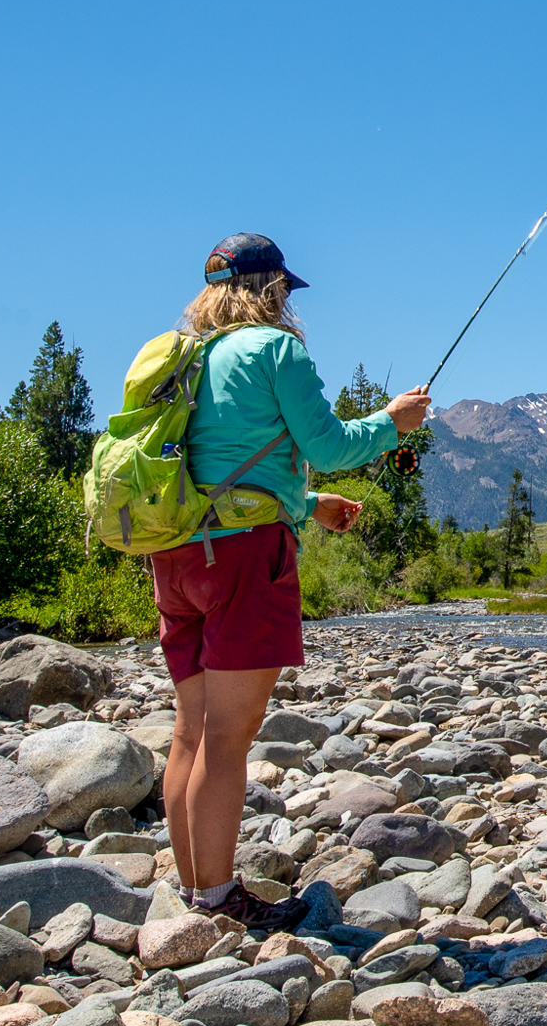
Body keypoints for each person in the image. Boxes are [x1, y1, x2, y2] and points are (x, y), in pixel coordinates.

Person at [151, 232, 429, 928]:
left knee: (190, 732)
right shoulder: (276, 350)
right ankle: (218, 899)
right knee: (227, 738)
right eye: (283, 289)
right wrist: (393, 424)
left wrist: (307, 504)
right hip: (245, 561)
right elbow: (329, 444)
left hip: (177, 558)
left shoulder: (189, 360)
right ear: (270, 288)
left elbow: (215, 468)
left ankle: (194, 891)